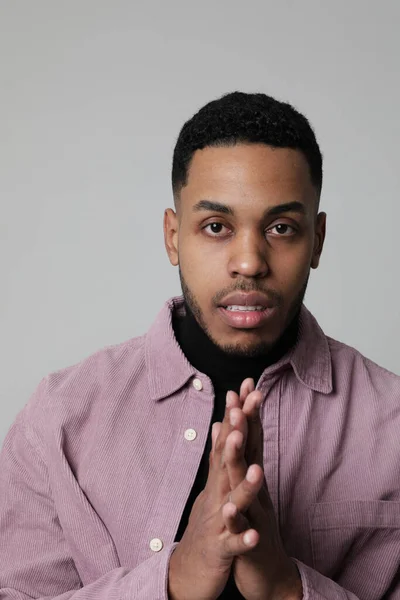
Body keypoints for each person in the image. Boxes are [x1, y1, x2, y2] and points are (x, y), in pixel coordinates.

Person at [0, 91, 399, 600]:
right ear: (172, 236)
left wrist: (284, 588)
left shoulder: (392, 427)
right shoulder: (59, 421)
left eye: (281, 228)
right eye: (216, 227)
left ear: (317, 240)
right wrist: (174, 580)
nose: (250, 261)